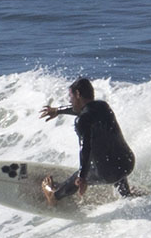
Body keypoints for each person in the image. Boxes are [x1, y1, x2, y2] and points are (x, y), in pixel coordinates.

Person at [38, 77, 135, 206]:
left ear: (78, 94)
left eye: (70, 96)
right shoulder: (103, 106)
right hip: (127, 164)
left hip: (108, 173)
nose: (69, 100)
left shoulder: (81, 120)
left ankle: (54, 196)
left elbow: (85, 148)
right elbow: (82, 111)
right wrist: (58, 110)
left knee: (83, 173)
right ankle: (126, 194)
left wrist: (82, 177)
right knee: (111, 150)